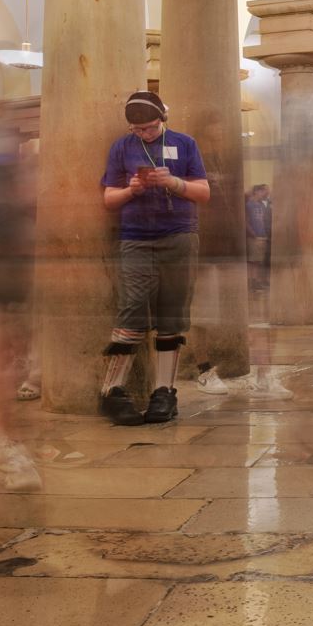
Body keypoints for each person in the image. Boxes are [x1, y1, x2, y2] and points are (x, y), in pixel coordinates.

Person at [97, 90, 210, 425]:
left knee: (172, 312)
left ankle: (164, 392)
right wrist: (132, 190)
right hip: (136, 238)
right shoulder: (122, 147)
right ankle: (111, 390)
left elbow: (203, 192)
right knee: (132, 308)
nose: (142, 134)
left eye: (147, 128)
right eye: (137, 130)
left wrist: (173, 182)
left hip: (179, 234)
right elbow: (108, 199)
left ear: (163, 119)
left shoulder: (185, 143)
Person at [245, 183, 271, 292]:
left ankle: (257, 281)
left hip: (262, 235)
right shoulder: (249, 205)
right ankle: (252, 282)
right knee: (253, 261)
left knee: (259, 261)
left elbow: (264, 220)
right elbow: (246, 221)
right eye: (262, 191)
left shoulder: (262, 205)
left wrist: (265, 233)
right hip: (254, 237)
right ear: (256, 191)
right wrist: (251, 232)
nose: (264, 194)